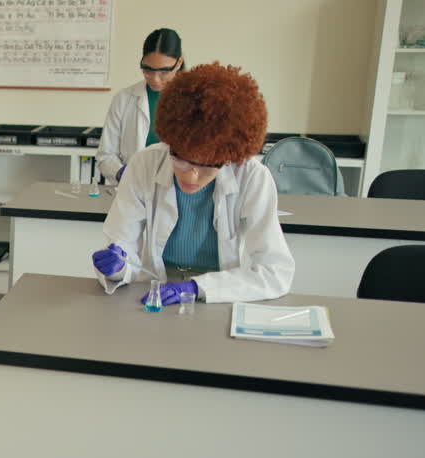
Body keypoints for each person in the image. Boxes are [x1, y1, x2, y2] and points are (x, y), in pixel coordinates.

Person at [90, 63, 295, 305]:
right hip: (155, 293)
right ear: (171, 141)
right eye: (181, 160)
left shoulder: (252, 177)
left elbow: (275, 272)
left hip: (221, 293)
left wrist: (196, 288)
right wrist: (117, 266)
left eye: (208, 167)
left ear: (228, 158)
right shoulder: (145, 164)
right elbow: (123, 241)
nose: (191, 177)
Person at [97, 28, 186, 185]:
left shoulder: (195, 99)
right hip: (134, 190)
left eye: (164, 72)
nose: (155, 79)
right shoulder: (124, 99)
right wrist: (122, 173)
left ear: (178, 63)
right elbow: (105, 155)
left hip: (179, 189)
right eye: (148, 70)